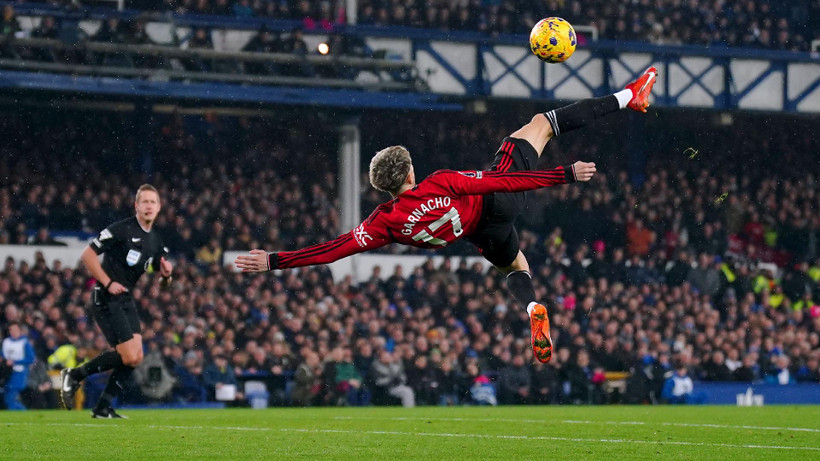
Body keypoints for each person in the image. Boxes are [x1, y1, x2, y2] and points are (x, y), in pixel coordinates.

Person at [236, 67, 659, 363]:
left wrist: (275, 260)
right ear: (409, 172)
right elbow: (499, 183)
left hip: (483, 234)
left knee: (516, 264)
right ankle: (629, 96)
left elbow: (334, 250)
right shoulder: (440, 182)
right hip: (499, 201)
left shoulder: (385, 222)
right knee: (541, 123)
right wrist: (562, 174)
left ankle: (532, 308)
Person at [60, 184, 173, 418]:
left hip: (125, 299)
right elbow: (87, 255)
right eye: (145, 202)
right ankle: (74, 375)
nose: (149, 206)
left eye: (153, 202)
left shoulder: (155, 241)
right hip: (105, 296)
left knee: (136, 358)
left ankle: (102, 407)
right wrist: (108, 282)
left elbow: (162, 284)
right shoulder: (121, 229)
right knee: (129, 356)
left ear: (159, 207)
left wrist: (166, 276)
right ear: (137, 206)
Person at [2, 323, 35, 410]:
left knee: (10, 397)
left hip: (19, 372)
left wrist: (15, 362)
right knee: (7, 395)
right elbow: (3, 355)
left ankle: (22, 411)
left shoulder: (24, 343)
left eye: (15, 329)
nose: (13, 332)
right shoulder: (6, 342)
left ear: (20, 331)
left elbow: (31, 359)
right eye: (11, 330)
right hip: (7, 372)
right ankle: (20, 412)